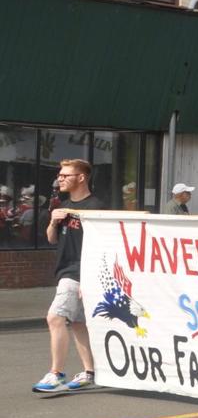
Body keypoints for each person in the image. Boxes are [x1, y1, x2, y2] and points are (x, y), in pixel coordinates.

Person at [30, 159, 107, 394]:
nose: (60, 179)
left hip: (78, 272)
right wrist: (54, 221)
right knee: (77, 323)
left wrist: (89, 278)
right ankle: (89, 373)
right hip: (65, 270)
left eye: (66, 175)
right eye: (60, 175)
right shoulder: (63, 205)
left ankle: (57, 373)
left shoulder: (95, 207)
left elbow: (102, 246)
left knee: (55, 318)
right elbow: (52, 239)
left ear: (81, 178)